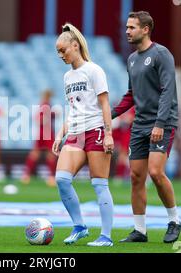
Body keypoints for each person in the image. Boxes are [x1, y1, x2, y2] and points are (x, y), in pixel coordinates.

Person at [111, 11, 181, 243]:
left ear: (145, 29)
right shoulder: (131, 60)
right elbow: (131, 95)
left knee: (155, 172)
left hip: (162, 122)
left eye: (132, 27)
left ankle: (174, 221)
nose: (127, 31)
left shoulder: (162, 54)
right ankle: (140, 230)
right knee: (136, 177)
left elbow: (167, 91)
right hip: (140, 124)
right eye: (127, 27)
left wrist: (160, 123)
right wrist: (109, 115)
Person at [52, 23, 114, 247]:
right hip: (75, 133)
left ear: (75, 45)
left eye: (63, 50)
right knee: (61, 179)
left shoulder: (94, 70)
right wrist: (60, 134)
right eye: (58, 52)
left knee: (99, 184)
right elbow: (72, 109)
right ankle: (79, 226)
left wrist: (108, 134)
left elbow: (105, 103)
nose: (61, 55)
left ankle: (105, 236)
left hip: (95, 130)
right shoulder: (67, 77)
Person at [22, 89, 57, 187]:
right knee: (50, 154)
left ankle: (26, 175)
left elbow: (37, 118)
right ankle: (51, 177)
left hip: (43, 132)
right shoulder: (46, 105)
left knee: (36, 153)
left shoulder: (45, 104)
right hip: (47, 133)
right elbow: (39, 119)